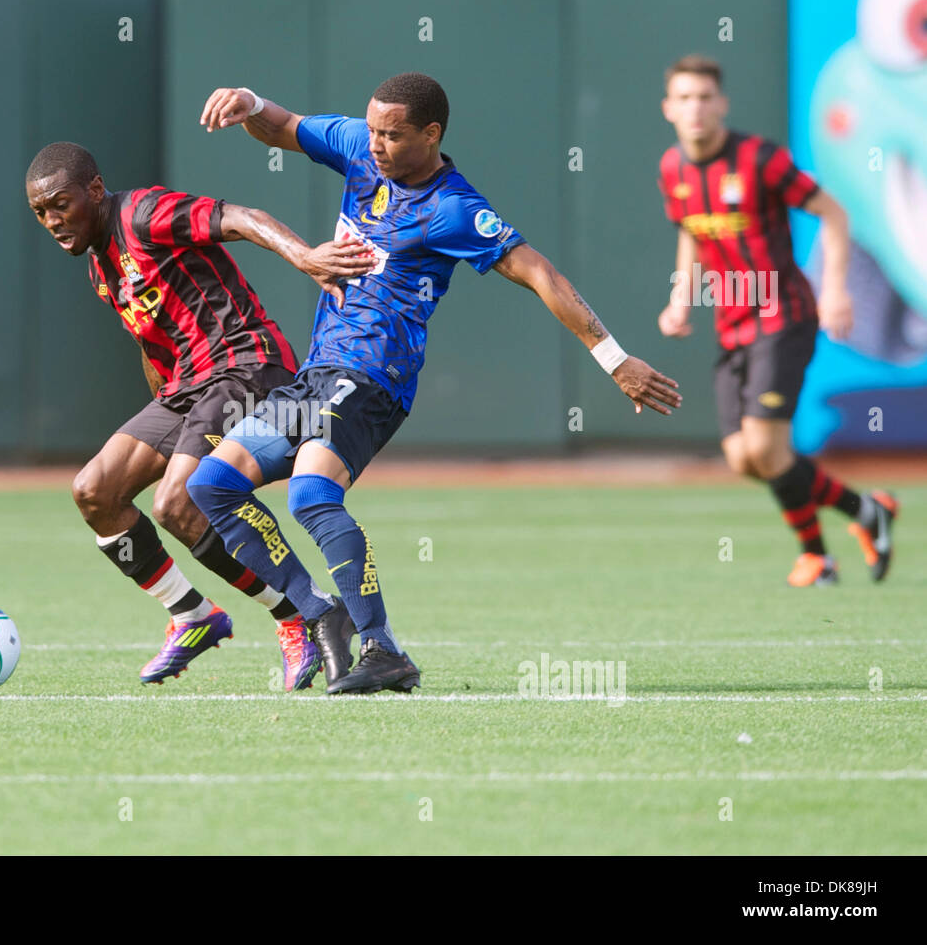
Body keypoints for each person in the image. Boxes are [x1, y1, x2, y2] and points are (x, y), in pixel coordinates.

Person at [186, 73, 681, 695]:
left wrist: (613, 358)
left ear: (431, 134)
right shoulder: (359, 149)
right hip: (316, 375)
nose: (375, 144)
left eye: (391, 135)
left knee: (311, 495)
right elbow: (282, 127)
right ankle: (320, 612)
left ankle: (382, 649)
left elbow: (539, 273)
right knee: (213, 485)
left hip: (372, 378)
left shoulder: (454, 209)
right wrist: (250, 104)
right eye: (370, 130)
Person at [24, 141, 368, 688]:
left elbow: (245, 218)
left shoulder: (143, 213)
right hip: (185, 389)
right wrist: (163, 414)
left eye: (60, 204)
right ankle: (192, 614)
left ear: (94, 190)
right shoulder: (100, 269)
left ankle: (304, 611)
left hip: (247, 365)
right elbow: (149, 342)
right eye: (40, 212)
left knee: (176, 501)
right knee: (94, 491)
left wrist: (304, 257)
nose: (52, 220)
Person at [655, 55, 897, 586]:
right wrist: (681, 296)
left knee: (767, 449)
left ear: (722, 104)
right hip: (731, 323)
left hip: (781, 315)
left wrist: (835, 289)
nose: (696, 108)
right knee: (745, 458)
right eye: (685, 98)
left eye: (705, 97)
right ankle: (866, 513)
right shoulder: (672, 169)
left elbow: (834, 212)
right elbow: (692, 232)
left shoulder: (760, 159)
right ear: (669, 108)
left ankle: (817, 555)